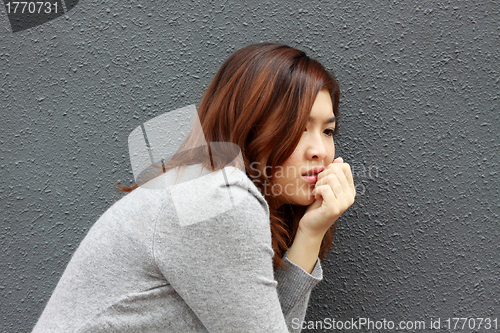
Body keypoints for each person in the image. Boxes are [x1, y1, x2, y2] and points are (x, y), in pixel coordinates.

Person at [32, 42, 356, 332]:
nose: (320, 151)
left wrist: (312, 232)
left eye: (327, 131)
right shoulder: (218, 201)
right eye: (299, 128)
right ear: (249, 124)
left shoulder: (206, 187)